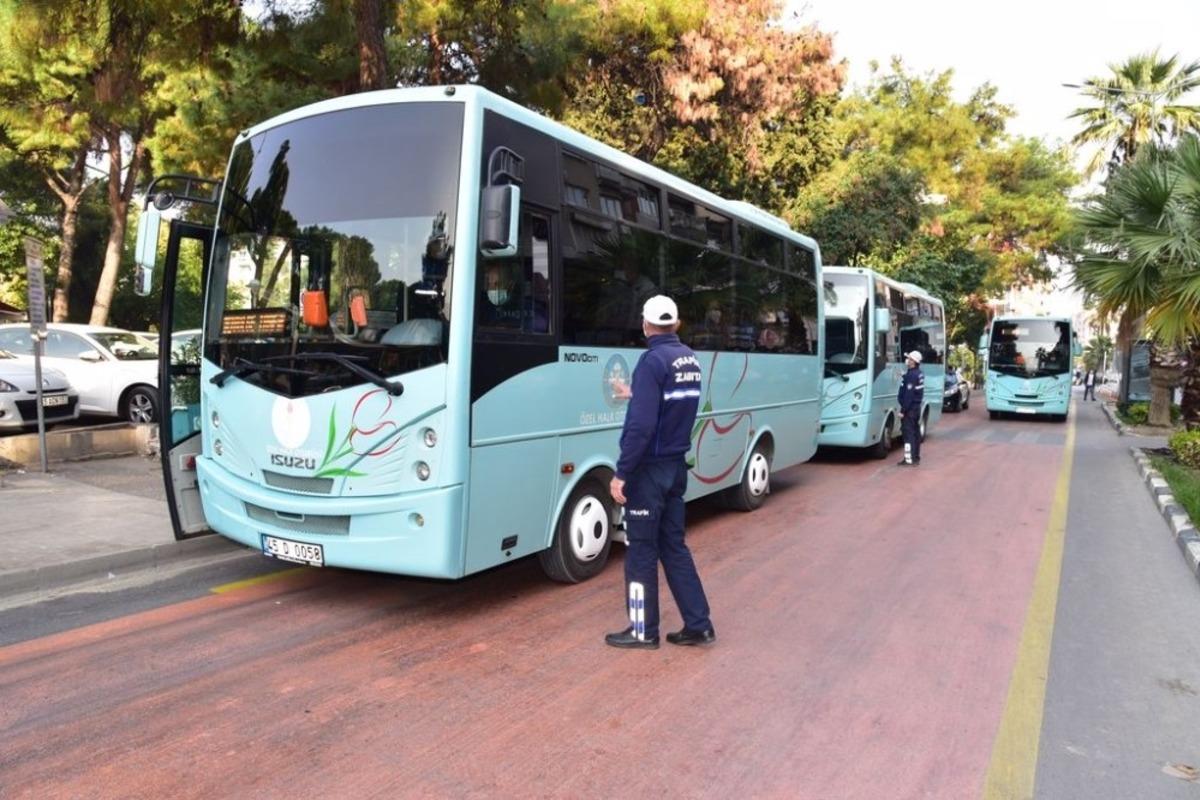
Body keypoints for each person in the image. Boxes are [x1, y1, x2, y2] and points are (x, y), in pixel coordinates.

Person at [605, 295, 714, 650]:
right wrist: (636, 394)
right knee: (674, 546)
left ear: (645, 325)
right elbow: (671, 404)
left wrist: (622, 473)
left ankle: (642, 630)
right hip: (675, 467)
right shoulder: (688, 359)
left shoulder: (652, 361)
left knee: (640, 551)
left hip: (648, 472)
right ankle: (699, 625)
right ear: (676, 324)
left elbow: (641, 427)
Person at [897, 350, 925, 467]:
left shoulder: (912, 376)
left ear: (914, 361)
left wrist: (903, 411)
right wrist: (904, 376)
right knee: (915, 433)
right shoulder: (917, 373)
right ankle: (916, 457)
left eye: (909, 359)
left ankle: (909, 460)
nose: (907, 360)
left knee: (908, 434)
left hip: (910, 410)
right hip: (915, 408)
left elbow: (908, 395)